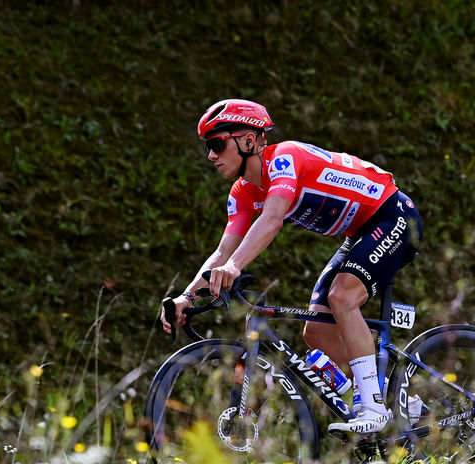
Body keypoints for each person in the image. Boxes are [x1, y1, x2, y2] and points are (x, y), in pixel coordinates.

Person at [160, 99, 422, 434]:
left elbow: (271, 220)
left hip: (393, 215)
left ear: (249, 141)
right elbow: (222, 252)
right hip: (359, 233)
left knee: (343, 297)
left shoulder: (284, 158)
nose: (211, 155)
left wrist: (236, 266)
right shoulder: (241, 192)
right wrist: (185, 298)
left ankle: (371, 407)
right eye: (208, 147)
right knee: (316, 332)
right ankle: (408, 406)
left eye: (216, 144)